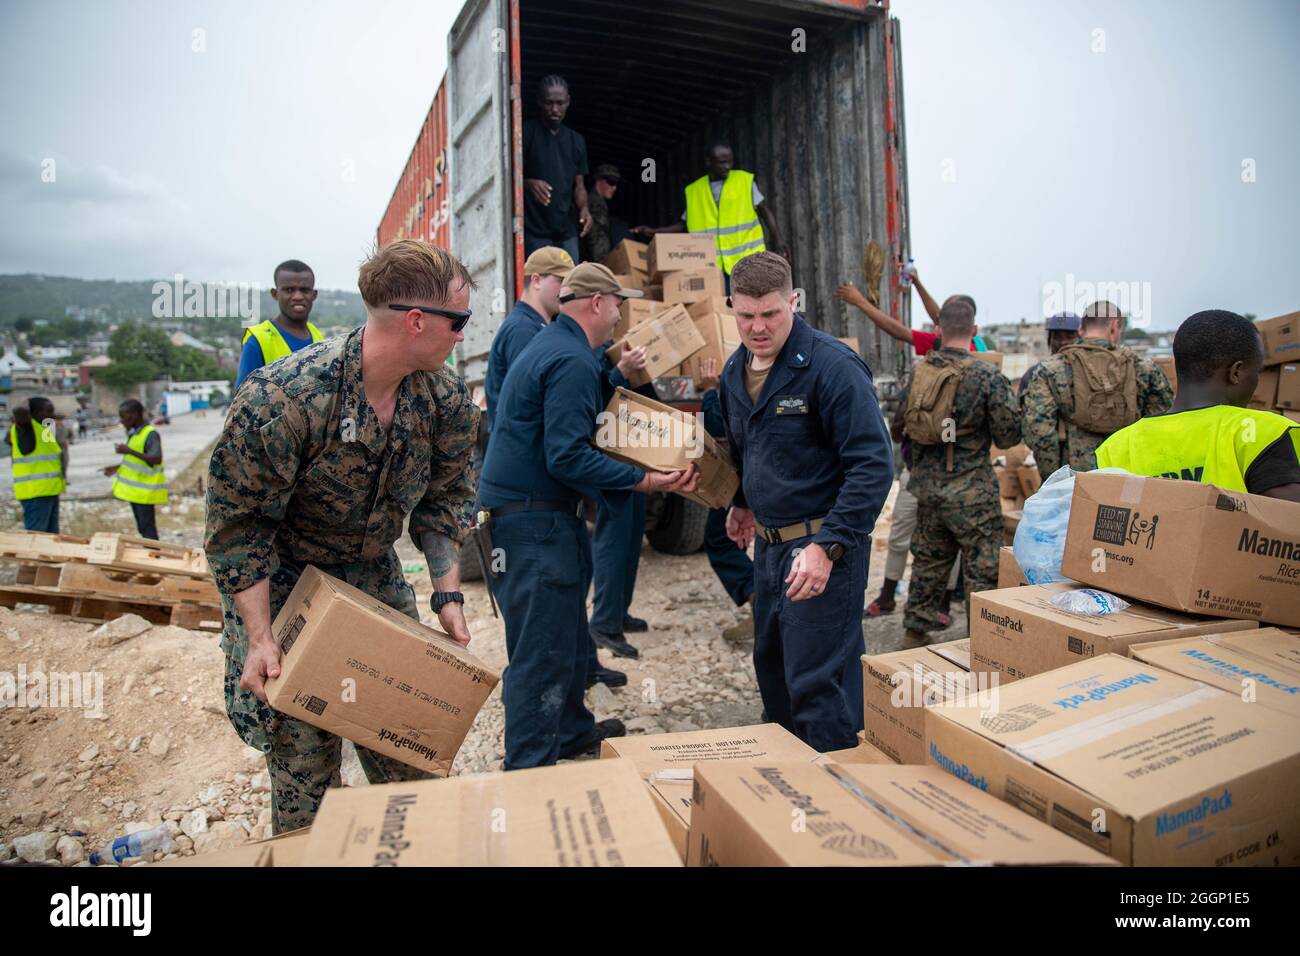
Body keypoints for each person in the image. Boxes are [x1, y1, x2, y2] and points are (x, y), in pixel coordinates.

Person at [206, 239, 480, 832]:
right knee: (307, 777)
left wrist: (449, 595)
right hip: (286, 588)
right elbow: (239, 531)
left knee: (410, 752)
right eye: (458, 322)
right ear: (416, 321)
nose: (463, 335)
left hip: (376, 579)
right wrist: (258, 638)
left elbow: (445, 502)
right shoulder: (285, 398)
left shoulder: (445, 399)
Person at [477, 263, 698, 768]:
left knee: (569, 635)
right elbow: (566, 454)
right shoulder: (570, 357)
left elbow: (588, 411)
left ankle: (572, 730)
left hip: (546, 517)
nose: (621, 315)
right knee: (541, 652)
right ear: (596, 304)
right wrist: (644, 480)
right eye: (618, 304)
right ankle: (530, 767)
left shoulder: (563, 348)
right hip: (530, 525)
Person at [718, 252, 892, 751]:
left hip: (823, 552)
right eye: (746, 315)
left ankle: (844, 798)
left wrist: (829, 544)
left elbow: (873, 466)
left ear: (793, 302)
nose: (757, 327)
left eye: (770, 314)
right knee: (774, 678)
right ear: (732, 306)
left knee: (820, 688)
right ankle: (790, 802)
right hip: (770, 554)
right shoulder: (736, 373)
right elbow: (748, 447)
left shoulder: (831, 367)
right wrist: (743, 501)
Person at [901, 299, 1022, 643]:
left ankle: (915, 631)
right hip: (972, 493)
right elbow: (1009, 435)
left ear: (937, 330)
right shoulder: (987, 376)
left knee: (928, 561)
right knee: (982, 569)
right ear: (974, 332)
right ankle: (983, 642)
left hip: (928, 490)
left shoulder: (918, 372)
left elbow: (900, 427)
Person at [1096, 310, 1300, 502]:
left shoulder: (1115, 449)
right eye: (1257, 371)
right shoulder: (1265, 433)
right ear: (1236, 372)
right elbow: (1288, 526)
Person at [1022, 300, 1173, 477]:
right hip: (1131, 478)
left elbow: (1040, 432)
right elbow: (1162, 425)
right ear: (1115, 326)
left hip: (1075, 480)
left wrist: (1055, 479)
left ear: (1081, 329)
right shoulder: (1143, 368)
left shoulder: (1052, 369)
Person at [633, 143, 789, 292]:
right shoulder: (695, 191)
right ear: (709, 162)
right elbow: (685, 225)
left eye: (730, 161)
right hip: (713, 268)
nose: (728, 166)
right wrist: (655, 231)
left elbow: (764, 210)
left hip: (748, 263)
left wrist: (779, 239)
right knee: (725, 312)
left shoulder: (743, 181)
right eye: (722, 162)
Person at [697, 357, 756, 641]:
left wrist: (710, 391)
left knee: (721, 538)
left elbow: (718, 424)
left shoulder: (743, 368)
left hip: (746, 475)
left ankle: (762, 605)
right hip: (770, 475)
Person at [484, 245, 574, 432]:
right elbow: (528, 401)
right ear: (536, 280)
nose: (568, 290)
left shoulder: (532, 325)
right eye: (561, 281)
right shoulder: (523, 330)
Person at [836, 269, 986, 355]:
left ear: (940, 329)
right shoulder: (979, 347)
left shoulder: (939, 344)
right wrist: (917, 283)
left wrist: (860, 302)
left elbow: (898, 331)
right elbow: (939, 317)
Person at [523, 75, 591, 260]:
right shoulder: (525, 133)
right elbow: (508, 176)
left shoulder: (576, 141)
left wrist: (584, 209)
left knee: (570, 286)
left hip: (566, 231)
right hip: (535, 231)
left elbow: (579, 186)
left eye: (560, 103)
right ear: (539, 101)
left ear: (568, 101)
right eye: (549, 103)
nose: (555, 109)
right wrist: (528, 183)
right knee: (540, 286)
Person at [236, 259, 324, 390]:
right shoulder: (258, 340)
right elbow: (242, 401)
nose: (298, 296)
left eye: (304, 290)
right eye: (289, 290)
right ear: (275, 294)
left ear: (314, 295)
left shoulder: (318, 337)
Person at [102, 399, 165, 540]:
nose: (122, 420)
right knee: (143, 528)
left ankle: (153, 556)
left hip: (145, 491)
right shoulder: (134, 433)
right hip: (136, 492)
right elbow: (137, 461)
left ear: (135, 415)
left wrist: (129, 451)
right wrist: (118, 467)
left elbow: (156, 458)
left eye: (124, 416)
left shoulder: (150, 434)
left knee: (147, 528)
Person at [7, 397, 66, 533]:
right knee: (36, 536)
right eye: (48, 411)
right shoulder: (26, 429)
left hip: (49, 491)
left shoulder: (44, 429)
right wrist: (26, 401)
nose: (52, 415)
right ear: (33, 413)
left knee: (51, 537)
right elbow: (19, 411)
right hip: (35, 493)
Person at [1018, 312, 1081, 393]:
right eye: (1057, 337)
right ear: (1049, 340)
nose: (1063, 342)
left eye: (1070, 337)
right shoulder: (1035, 374)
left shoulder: (1088, 372)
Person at [583, 164, 631, 265]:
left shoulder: (592, 200)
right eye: (611, 182)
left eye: (616, 183)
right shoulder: (596, 204)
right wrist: (604, 265)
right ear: (598, 180)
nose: (614, 188)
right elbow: (598, 237)